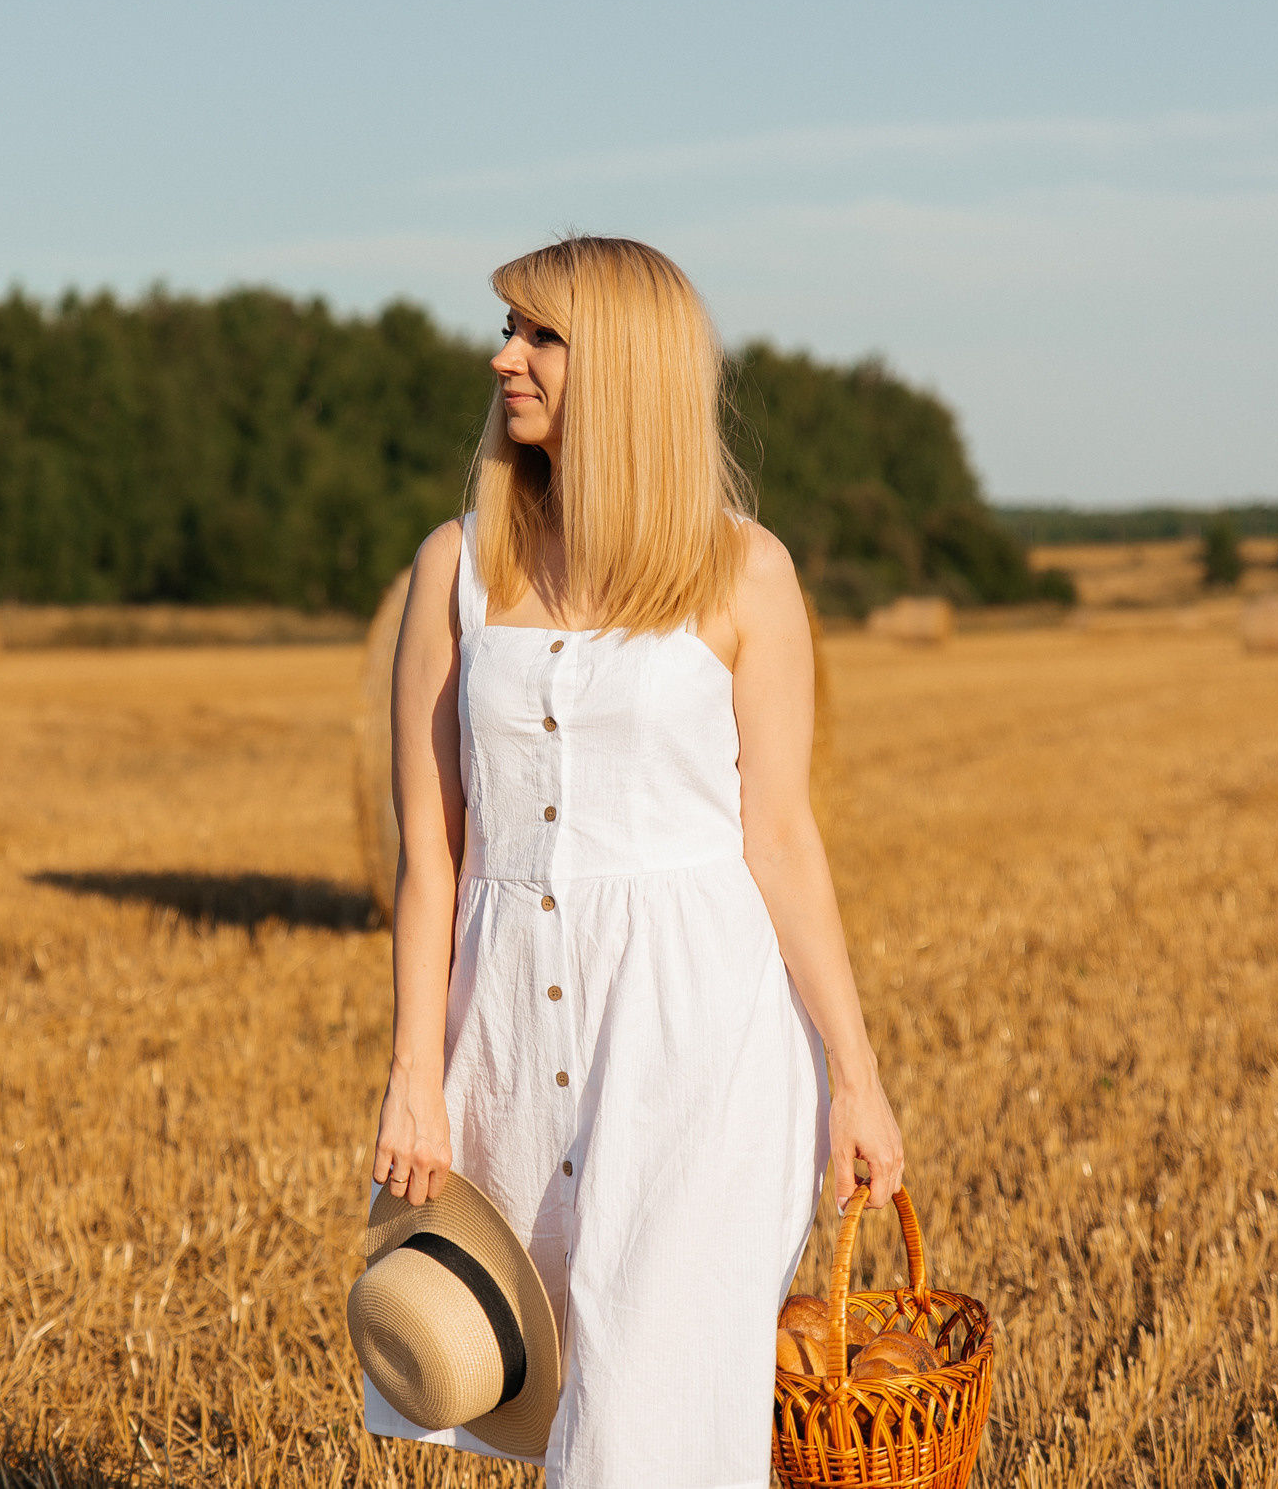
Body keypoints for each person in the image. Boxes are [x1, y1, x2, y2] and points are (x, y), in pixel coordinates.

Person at [365, 236, 906, 1487]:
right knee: (568, 1400)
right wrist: (414, 1075)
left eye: (540, 335)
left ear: (623, 364)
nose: (504, 358)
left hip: (699, 1042)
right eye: (505, 328)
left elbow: (780, 837)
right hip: (509, 1042)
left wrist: (856, 1078)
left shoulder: (744, 572)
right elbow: (430, 852)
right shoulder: (454, 570)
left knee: (647, 1418)